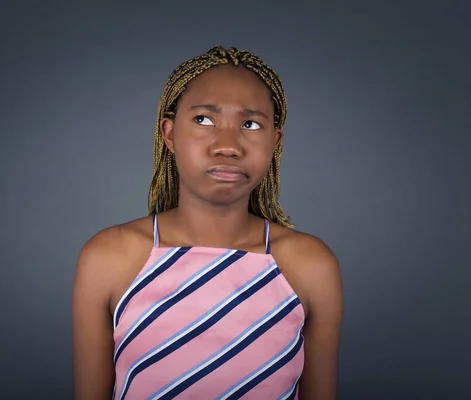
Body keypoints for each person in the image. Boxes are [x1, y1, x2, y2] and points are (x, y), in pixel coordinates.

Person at [72, 45, 343, 400]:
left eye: (251, 124)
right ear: (169, 134)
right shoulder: (108, 258)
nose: (228, 146)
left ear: (275, 142)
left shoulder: (310, 265)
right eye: (204, 119)